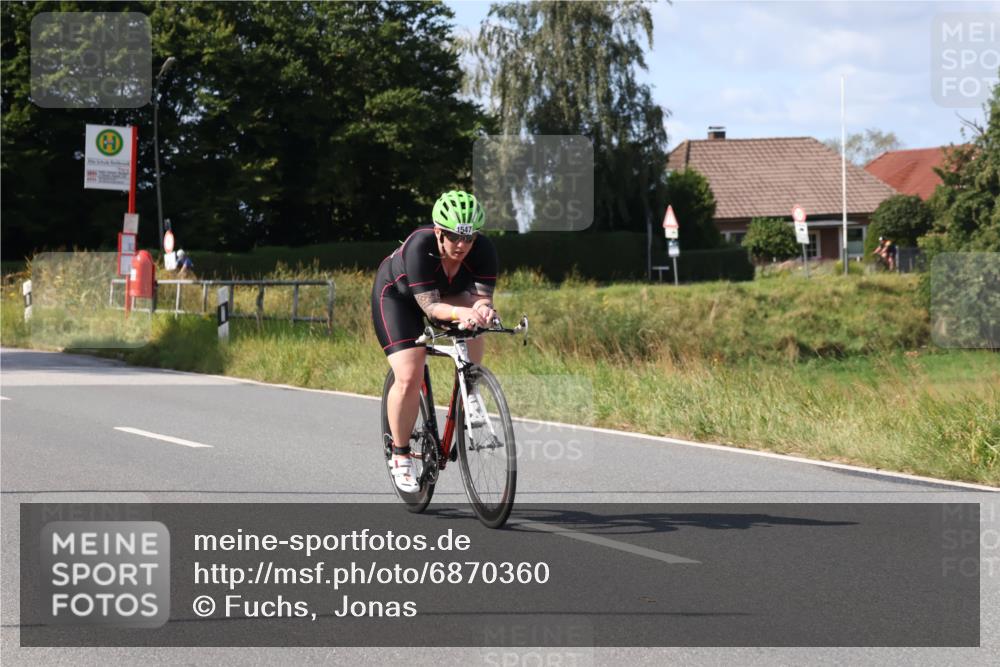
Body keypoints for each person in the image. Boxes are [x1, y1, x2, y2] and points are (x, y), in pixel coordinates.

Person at [371, 190, 498, 492]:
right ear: (439, 232)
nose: (462, 245)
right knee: (410, 373)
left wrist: (482, 312)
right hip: (398, 299)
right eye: (454, 237)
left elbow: (481, 299)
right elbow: (430, 308)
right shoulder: (420, 246)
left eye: (469, 239)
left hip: (446, 295)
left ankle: (472, 390)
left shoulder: (483, 251)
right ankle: (400, 454)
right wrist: (461, 312)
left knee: (474, 324)